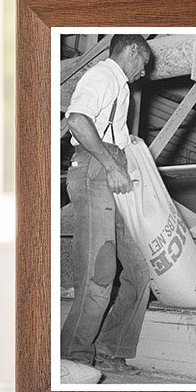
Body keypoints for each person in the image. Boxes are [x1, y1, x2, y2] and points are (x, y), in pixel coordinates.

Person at [59, 34, 153, 373]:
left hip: (113, 172)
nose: (144, 72)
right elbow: (77, 119)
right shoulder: (102, 75)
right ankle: (73, 359)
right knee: (100, 275)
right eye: (144, 63)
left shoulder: (121, 87)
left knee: (141, 271)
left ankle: (110, 350)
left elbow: (114, 135)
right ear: (132, 51)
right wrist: (112, 166)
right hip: (95, 171)